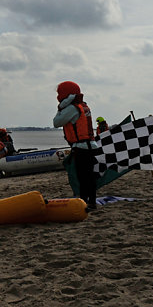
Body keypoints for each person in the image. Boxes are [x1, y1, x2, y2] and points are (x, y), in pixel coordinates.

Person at [53, 80, 98, 210]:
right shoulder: (84, 106)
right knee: (90, 176)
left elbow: (56, 122)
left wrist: (61, 107)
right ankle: (92, 202)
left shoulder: (72, 108)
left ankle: (84, 203)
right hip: (91, 146)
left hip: (81, 147)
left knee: (82, 177)